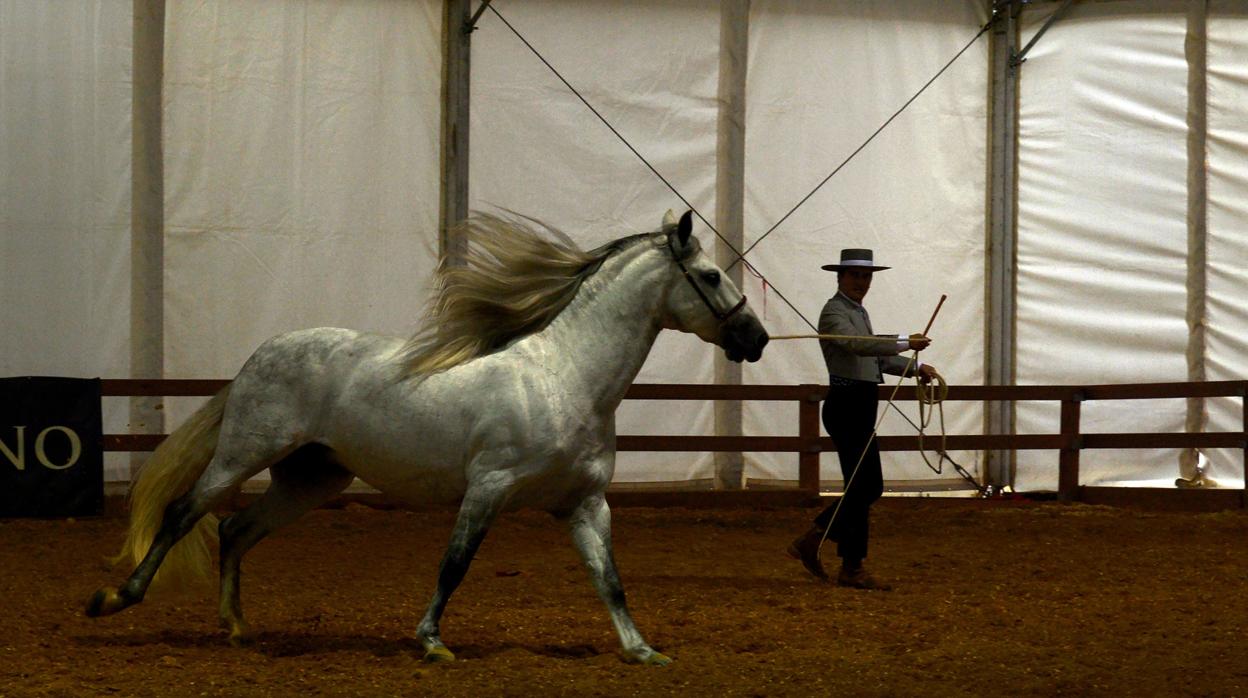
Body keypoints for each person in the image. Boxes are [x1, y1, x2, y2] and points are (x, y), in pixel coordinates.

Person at [787, 248, 939, 590]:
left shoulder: (858, 312)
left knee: (865, 486)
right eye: (855, 275)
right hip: (846, 404)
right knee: (865, 486)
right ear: (840, 277)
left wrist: (915, 368)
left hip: (859, 404)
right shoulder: (833, 313)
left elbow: (875, 358)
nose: (861, 282)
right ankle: (848, 564)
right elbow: (857, 345)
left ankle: (817, 540)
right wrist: (904, 341)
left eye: (866, 276)